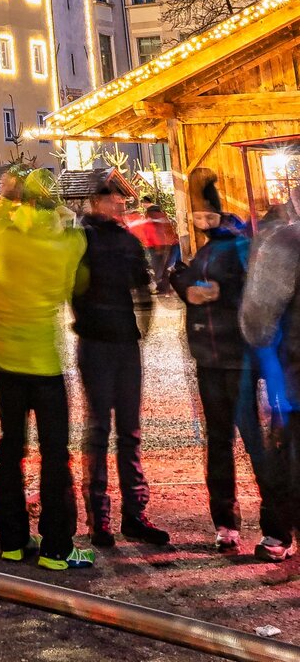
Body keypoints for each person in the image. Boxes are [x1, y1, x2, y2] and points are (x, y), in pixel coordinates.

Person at [0, 167, 94, 571]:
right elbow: (73, 285)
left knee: (11, 448)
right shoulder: (66, 244)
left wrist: (5, 203)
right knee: (55, 453)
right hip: (46, 362)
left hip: (8, 359)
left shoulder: (4, 236)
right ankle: (56, 549)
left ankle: (11, 540)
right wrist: (59, 216)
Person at [171, 179, 288, 557]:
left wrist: (215, 292)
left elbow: (255, 297)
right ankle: (225, 524)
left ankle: (277, 527)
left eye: (205, 211)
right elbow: (191, 287)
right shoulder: (207, 249)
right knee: (219, 444)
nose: (200, 218)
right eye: (196, 212)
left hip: (237, 361)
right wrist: (185, 284)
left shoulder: (240, 247)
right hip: (210, 361)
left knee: (256, 443)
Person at [72, 177, 170, 548]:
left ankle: (135, 514)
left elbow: (143, 288)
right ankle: (99, 518)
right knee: (99, 430)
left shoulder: (127, 241)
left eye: (119, 199)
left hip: (124, 343)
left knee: (129, 431)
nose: (117, 204)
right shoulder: (81, 240)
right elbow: (72, 287)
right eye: (111, 199)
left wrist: (141, 328)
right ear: (96, 202)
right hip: (96, 342)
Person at [240, 194, 300, 562]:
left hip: (293, 375)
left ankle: (277, 533)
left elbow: (258, 319)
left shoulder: (286, 242)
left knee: (284, 453)